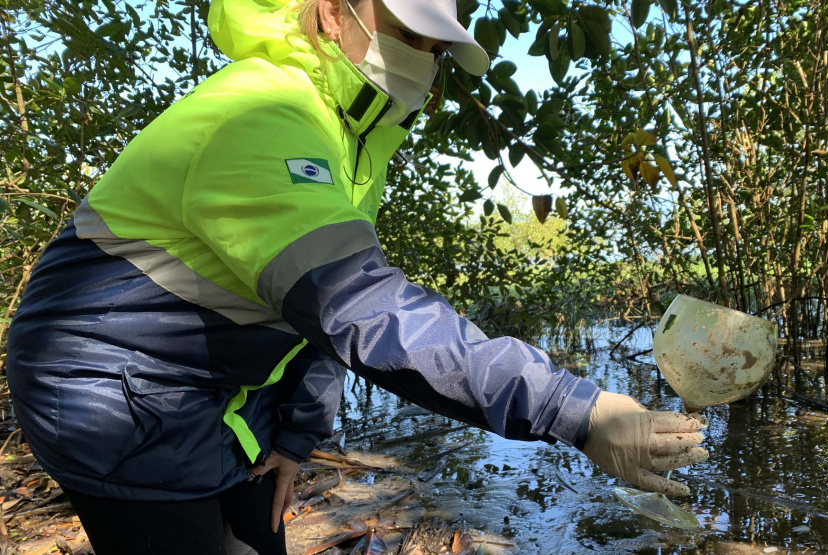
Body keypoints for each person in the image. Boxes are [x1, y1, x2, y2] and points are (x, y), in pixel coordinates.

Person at [6, 0, 708, 553]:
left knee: (260, 533)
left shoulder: (343, 138)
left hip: (209, 380)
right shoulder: (262, 114)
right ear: (331, 11)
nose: (422, 61)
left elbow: (308, 323)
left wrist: (293, 441)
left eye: (435, 48)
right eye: (406, 34)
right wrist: (573, 410)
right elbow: (363, 309)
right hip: (111, 393)